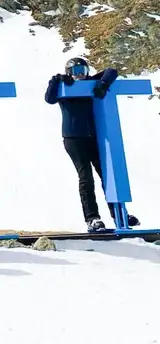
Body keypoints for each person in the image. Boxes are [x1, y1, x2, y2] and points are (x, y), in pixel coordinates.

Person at [44, 57, 139, 232]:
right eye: (75, 71)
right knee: (86, 177)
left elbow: (111, 71)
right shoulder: (65, 86)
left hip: (93, 137)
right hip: (73, 139)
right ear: (68, 73)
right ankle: (92, 219)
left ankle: (119, 215)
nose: (80, 75)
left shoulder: (90, 84)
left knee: (107, 175)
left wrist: (102, 84)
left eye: (83, 70)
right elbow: (49, 98)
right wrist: (56, 80)